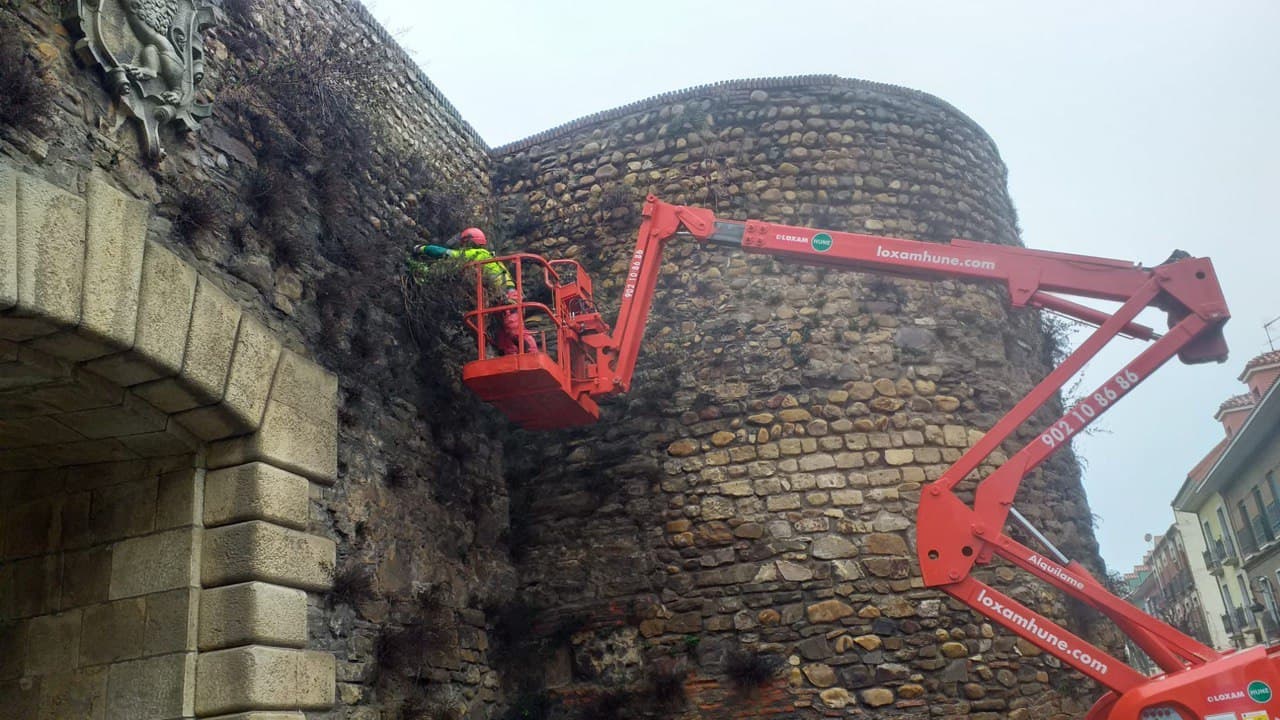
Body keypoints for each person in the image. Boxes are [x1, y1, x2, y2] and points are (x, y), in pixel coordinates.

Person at [411, 228, 537, 356]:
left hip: (508, 298)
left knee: (514, 330)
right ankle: (513, 362)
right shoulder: (489, 257)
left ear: (468, 242)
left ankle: (533, 355)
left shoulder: (477, 254)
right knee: (506, 340)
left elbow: (446, 253)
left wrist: (422, 249)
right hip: (505, 299)